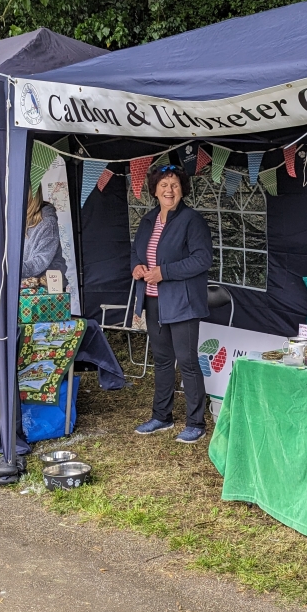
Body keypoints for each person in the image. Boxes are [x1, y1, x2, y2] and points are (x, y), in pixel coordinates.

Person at [131, 163, 213, 443]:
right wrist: (137, 267)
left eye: (174, 185)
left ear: (182, 190)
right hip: (154, 301)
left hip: (183, 303)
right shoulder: (148, 220)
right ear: (155, 190)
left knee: (188, 362)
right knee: (163, 361)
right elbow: (136, 252)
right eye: (164, 185)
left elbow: (202, 259)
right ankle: (161, 416)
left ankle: (196, 423)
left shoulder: (192, 220)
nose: (169, 190)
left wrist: (164, 272)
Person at [21, 186, 68, 280]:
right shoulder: (17, 219)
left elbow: (39, 262)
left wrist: (10, 268)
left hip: (46, 284)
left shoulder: (48, 222)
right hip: (24, 283)